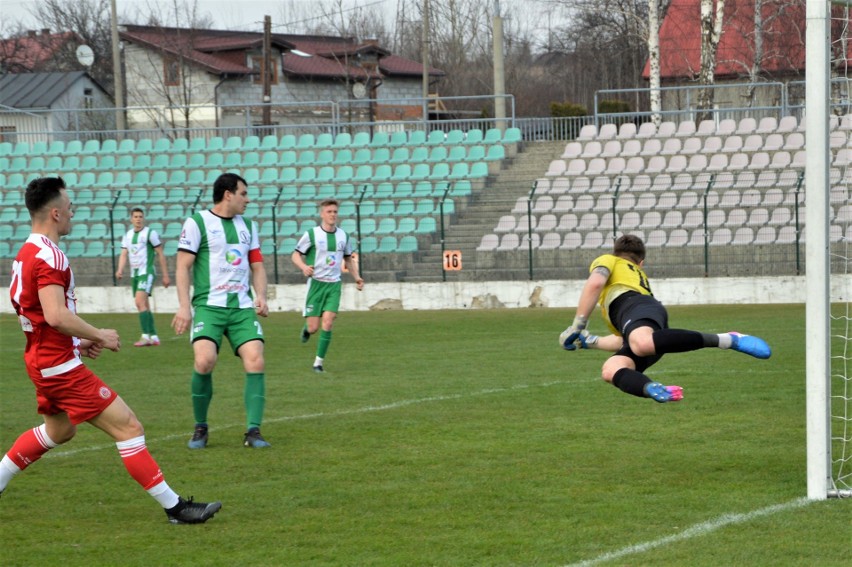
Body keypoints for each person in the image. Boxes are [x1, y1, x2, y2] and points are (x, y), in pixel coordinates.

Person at [1, 176, 220, 524]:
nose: (73, 213)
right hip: (58, 366)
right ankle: (176, 508)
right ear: (55, 213)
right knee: (129, 427)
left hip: (42, 360)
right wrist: (99, 334)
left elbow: (40, 316)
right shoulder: (50, 256)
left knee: (59, 431)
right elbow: (56, 315)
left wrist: (77, 340)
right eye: (69, 208)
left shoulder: (26, 253)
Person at [559, 234, 771, 403]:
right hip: (643, 316)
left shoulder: (608, 260)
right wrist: (588, 342)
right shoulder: (633, 281)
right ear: (641, 262)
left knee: (641, 344)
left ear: (615, 254)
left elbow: (595, 283)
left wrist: (578, 325)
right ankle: (650, 388)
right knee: (611, 368)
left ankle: (728, 339)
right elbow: (621, 340)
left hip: (636, 306)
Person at [171, 172, 271, 449]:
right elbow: (182, 266)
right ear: (228, 194)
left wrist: (261, 295)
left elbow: (258, 267)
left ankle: (253, 431)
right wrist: (183, 307)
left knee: (256, 360)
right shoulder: (197, 223)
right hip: (208, 307)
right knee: (204, 361)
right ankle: (200, 427)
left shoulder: (248, 226)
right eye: (244, 194)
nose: (247, 200)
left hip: (240, 308)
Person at [291, 199, 364, 373]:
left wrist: (357, 278)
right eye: (329, 211)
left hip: (333, 285)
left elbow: (348, 259)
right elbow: (295, 255)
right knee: (313, 327)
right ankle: (307, 330)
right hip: (316, 285)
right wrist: (303, 267)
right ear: (322, 214)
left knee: (328, 322)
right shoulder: (312, 234)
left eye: (335, 212)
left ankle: (318, 363)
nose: (332, 215)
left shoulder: (343, 236)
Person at [115, 207, 171, 346]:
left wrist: (165, 275)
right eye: (135, 216)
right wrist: (120, 269)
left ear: (143, 218)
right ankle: (154, 336)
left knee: (139, 302)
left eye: (140, 216)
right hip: (135, 274)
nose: (138, 219)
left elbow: (161, 254)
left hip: (146, 272)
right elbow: (123, 254)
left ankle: (145, 336)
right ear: (131, 219)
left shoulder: (150, 233)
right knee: (145, 305)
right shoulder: (127, 235)